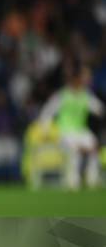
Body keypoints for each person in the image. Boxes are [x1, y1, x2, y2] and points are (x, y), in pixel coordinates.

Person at [39, 61, 104, 189]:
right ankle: (73, 180)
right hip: (65, 132)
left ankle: (92, 178)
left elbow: (99, 109)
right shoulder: (62, 96)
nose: (83, 81)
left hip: (81, 131)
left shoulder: (86, 96)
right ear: (75, 79)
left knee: (94, 146)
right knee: (75, 150)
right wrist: (45, 131)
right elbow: (47, 112)